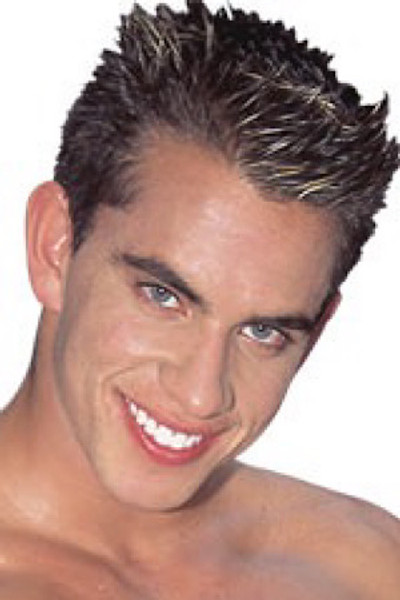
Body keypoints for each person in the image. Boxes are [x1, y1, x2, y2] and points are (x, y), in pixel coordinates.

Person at [0, 1, 399, 597]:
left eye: (263, 332)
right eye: (163, 296)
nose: (201, 394)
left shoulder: (366, 566)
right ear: (54, 245)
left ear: (316, 333)